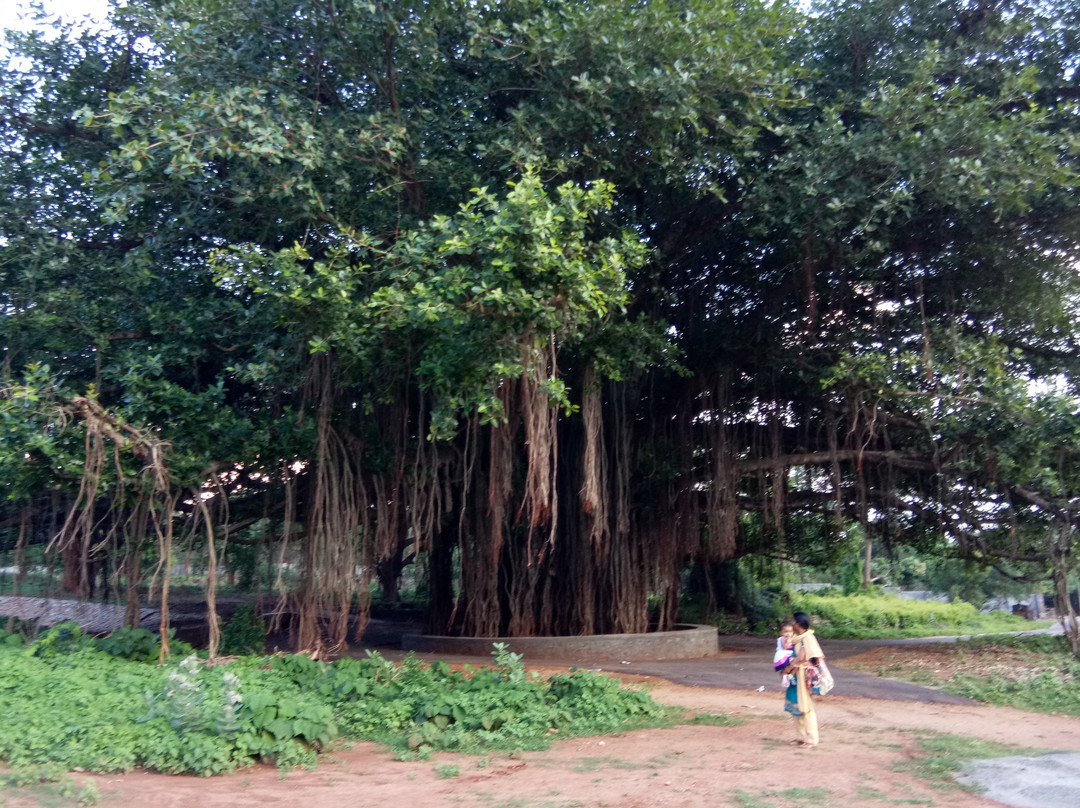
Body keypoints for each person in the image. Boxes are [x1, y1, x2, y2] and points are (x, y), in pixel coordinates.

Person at [782, 611, 825, 747]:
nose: (792, 624)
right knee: (796, 705)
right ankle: (800, 736)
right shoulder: (797, 638)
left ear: (799, 624)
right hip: (795, 676)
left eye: (794, 621)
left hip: (803, 677)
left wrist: (791, 665)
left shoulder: (808, 638)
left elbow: (804, 657)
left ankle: (811, 739)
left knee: (806, 706)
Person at [773, 620, 796, 689]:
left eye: (790, 632)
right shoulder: (782, 639)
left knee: (796, 665)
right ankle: (784, 676)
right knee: (788, 667)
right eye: (786, 632)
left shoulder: (792, 638)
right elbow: (785, 647)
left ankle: (790, 676)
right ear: (781, 633)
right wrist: (788, 641)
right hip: (782, 656)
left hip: (788, 655)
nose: (788, 634)